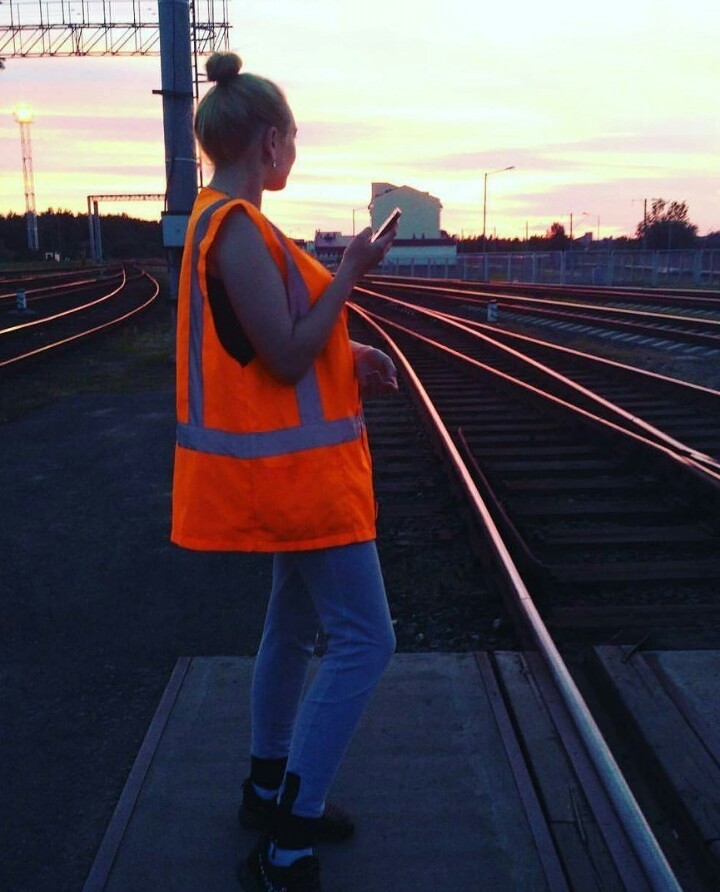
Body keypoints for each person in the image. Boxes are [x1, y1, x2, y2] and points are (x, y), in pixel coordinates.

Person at [171, 50, 399, 892]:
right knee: (368, 642)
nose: (294, 152)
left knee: (294, 631)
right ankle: (287, 846)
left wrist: (355, 348)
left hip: (300, 475)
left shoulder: (230, 223)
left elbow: (289, 340)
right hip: (304, 484)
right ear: (269, 142)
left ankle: (268, 790)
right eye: (293, 139)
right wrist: (350, 274)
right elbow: (285, 354)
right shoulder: (235, 230)